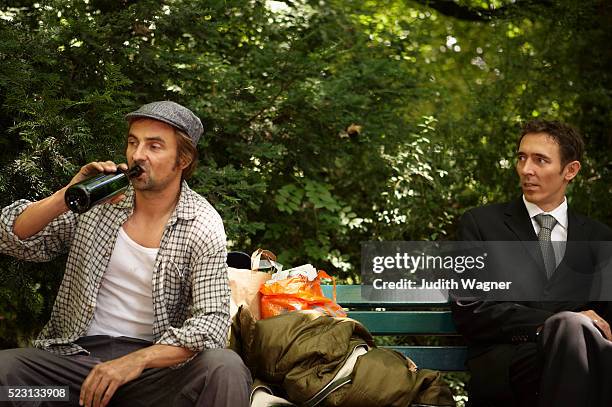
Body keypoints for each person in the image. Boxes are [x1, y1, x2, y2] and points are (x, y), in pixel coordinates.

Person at [0, 101, 252, 407]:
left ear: (183, 159)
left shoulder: (202, 223)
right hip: (71, 378)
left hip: (151, 383)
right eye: (133, 142)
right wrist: (67, 195)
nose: (138, 155)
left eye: (154, 146)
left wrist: (137, 361)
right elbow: (12, 238)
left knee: (224, 368)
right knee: (6, 377)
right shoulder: (101, 201)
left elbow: (211, 324)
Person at [451, 119, 612, 407]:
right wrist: (556, 325)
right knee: (571, 329)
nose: (526, 170)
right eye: (522, 158)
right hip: (507, 366)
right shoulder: (480, 224)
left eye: (540, 160)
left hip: (585, 367)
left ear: (570, 170)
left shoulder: (599, 238)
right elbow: (470, 307)